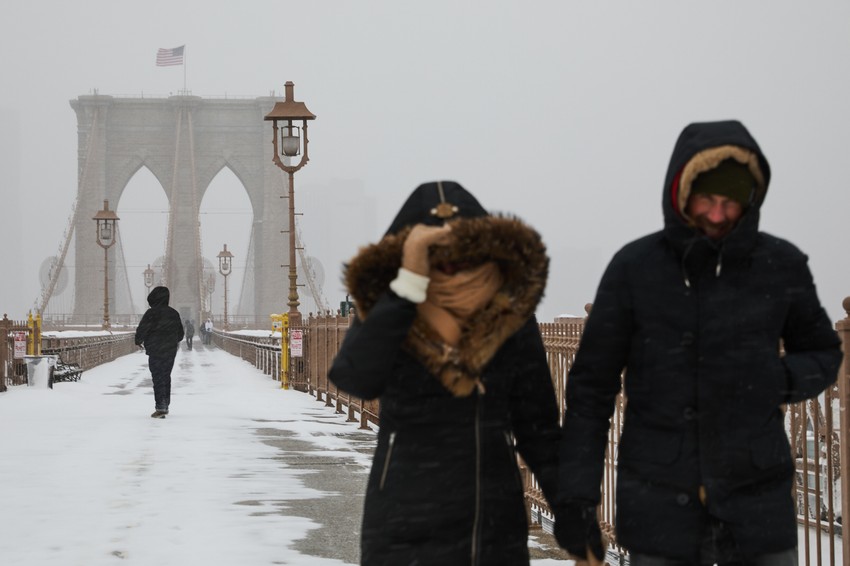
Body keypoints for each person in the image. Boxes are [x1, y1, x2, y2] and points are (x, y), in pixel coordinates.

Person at [555, 120, 843, 566]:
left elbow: (823, 352)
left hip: (757, 506)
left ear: (750, 201)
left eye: (730, 201)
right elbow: (591, 390)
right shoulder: (635, 269)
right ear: (681, 195)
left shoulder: (779, 265)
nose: (717, 214)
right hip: (659, 504)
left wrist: (776, 379)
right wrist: (577, 498)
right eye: (706, 199)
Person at [328, 181, 561, 565]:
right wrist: (407, 288)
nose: (450, 266)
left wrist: (571, 510)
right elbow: (356, 377)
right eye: (433, 254)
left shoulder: (508, 313)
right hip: (403, 525)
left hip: (492, 526)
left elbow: (538, 425)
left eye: (462, 252)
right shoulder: (390, 309)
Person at [135, 286, 184, 419]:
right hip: (170, 351)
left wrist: (139, 340)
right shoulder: (174, 313)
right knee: (166, 376)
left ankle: (160, 406)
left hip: (155, 349)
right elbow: (181, 334)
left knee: (157, 377)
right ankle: (165, 404)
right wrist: (171, 341)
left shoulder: (151, 313)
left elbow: (142, 329)